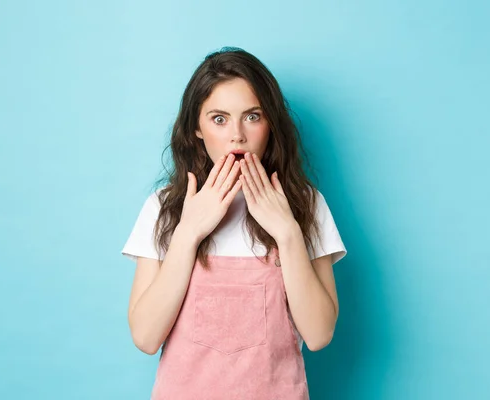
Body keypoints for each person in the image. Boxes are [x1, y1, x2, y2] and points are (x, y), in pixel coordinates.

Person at [121, 47, 347, 400]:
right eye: (219, 118)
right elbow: (146, 337)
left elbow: (319, 335)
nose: (237, 135)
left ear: (271, 123)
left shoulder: (306, 204)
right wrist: (189, 232)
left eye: (252, 116)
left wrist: (287, 232)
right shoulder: (164, 207)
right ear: (196, 127)